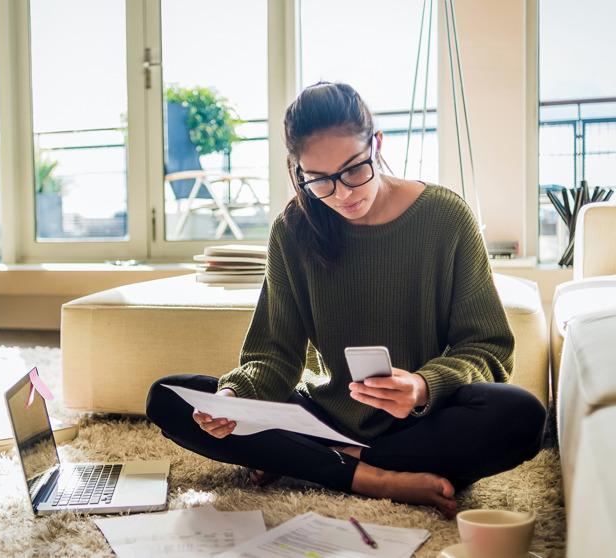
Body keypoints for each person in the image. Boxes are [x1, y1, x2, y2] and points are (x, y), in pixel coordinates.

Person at [146, 82, 546, 519]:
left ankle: (315, 462)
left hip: (417, 424)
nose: (342, 193)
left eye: (354, 169)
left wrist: (423, 387)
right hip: (321, 417)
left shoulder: (447, 218)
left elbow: (488, 347)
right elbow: (274, 356)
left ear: (375, 144)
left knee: (520, 415)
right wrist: (234, 396)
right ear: (298, 171)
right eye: (318, 180)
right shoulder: (292, 231)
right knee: (169, 397)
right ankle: (372, 477)